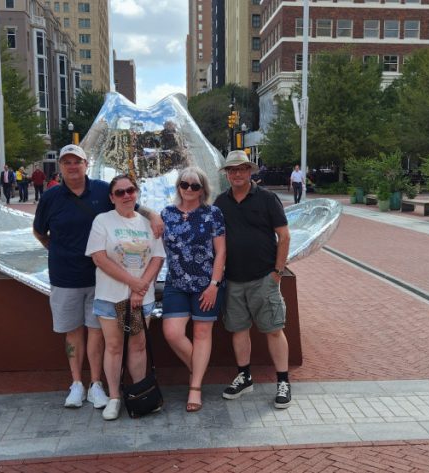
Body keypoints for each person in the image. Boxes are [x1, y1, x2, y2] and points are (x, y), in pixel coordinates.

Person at [33, 144, 164, 412]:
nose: (72, 167)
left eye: (77, 162)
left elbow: (132, 205)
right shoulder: (51, 197)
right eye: (67, 162)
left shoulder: (103, 190)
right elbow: (39, 232)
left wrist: (155, 215)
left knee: (97, 334)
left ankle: (96, 384)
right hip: (65, 275)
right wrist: (57, 250)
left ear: (86, 164)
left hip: (101, 281)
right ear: (61, 166)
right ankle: (77, 383)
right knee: (73, 332)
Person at [213, 150, 292, 409]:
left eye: (242, 169)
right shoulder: (220, 202)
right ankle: (244, 376)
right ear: (227, 174)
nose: (237, 174)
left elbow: (284, 236)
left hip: (263, 278)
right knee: (238, 329)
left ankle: (283, 381)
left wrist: (277, 273)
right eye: (232, 170)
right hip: (233, 279)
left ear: (250, 171)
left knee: (273, 329)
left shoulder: (268, 199)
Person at [86, 175, 165, 421]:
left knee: (138, 345)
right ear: (112, 198)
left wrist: (140, 290)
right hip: (111, 297)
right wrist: (134, 284)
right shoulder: (103, 221)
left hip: (141, 299)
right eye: (119, 192)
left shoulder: (148, 223)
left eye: (130, 190)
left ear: (137, 192)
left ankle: (140, 393)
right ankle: (114, 397)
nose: (126, 195)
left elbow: (158, 257)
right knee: (113, 346)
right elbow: (99, 258)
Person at [160, 167, 226, 413]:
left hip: (205, 285)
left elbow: (221, 251)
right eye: (184, 184)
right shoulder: (166, 214)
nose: (188, 189)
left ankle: (195, 387)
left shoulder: (212, 214)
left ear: (202, 190)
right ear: (178, 186)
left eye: (194, 186)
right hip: (176, 283)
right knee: (172, 333)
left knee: (201, 333)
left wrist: (214, 285)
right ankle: (198, 368)